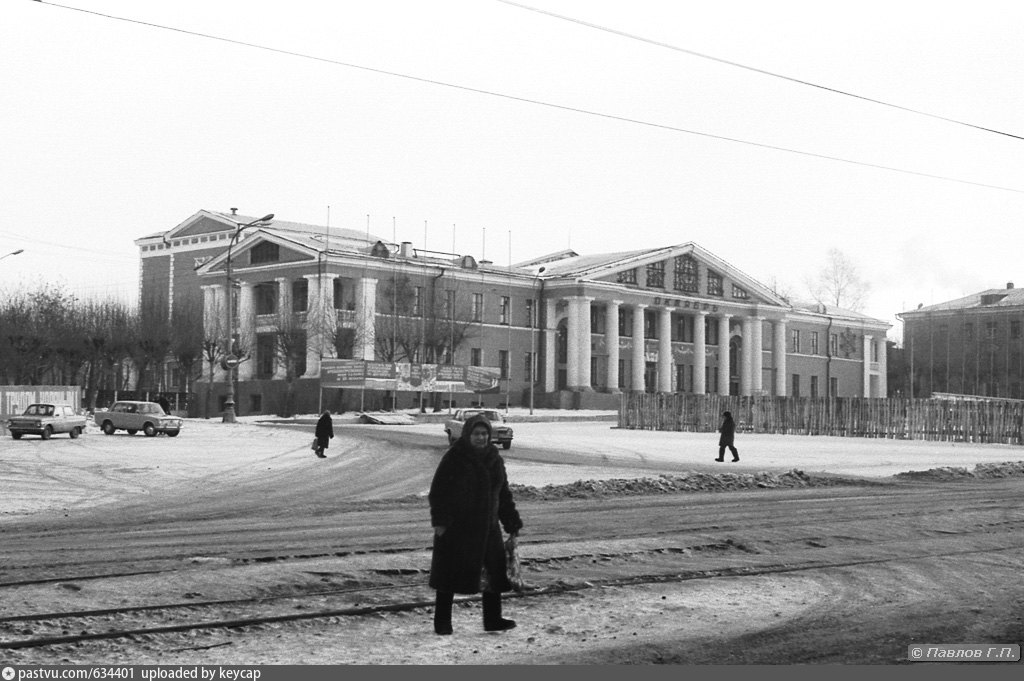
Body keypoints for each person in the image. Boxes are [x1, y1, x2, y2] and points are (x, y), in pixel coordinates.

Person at [428, 413, 523, 635]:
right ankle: (442, 622)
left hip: (488, 529)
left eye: (484, 434)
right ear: (468, 434)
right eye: (476, 434)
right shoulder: (455, 457)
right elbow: (439, 492)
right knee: (449, 576)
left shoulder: (494, 458)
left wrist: (512, 524)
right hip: (457, 529)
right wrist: (441, 522)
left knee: (494, 574)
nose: (481, 438)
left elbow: (503, 494)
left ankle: (493, 619)